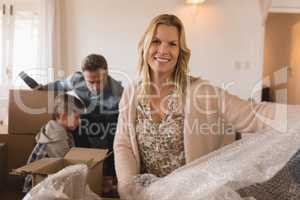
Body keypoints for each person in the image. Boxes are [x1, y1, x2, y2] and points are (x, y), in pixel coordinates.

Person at [113, 14, 282, 199]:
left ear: (180, 52)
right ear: (145, 45)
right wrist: (127, 184)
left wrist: (293, 117)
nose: (163, 50)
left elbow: (251, 114)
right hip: (145, 196)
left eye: (172, 44)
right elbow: (124, 144)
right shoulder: (131, 93)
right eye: (156, 41)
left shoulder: (200, 91)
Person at [22, 54, 123, 195]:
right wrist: (41, 88)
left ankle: (109, 177)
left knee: (114, 135)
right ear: (83, 76)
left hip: (110, 118)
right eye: (90, 82)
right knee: (75, 126)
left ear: (106, 74)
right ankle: (82, 167)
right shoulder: (76, 80)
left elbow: (122, 121)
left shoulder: (117, 92)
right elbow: (59, 85)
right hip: (87, 115)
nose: (94, 88)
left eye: (99, 81)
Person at [23, 93, 84, 193]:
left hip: (47, 179)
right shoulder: (56, 138)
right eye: (77, 118)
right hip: (37, 187)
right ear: (63, 116)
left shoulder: (59, 130)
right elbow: (65, 165)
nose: (79, 121)